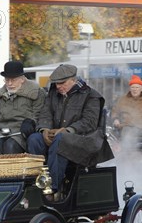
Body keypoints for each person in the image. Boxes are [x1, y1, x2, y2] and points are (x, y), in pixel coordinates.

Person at [27, 64, 114, 195]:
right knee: (34, 139)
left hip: (84, 141)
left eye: (62, 83)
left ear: (73, 80)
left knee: (61, 139)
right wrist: (44, 130)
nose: (58, 87)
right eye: (56, 83)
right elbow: (46, 114)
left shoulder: (91, 96)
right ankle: (36, 183)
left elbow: (89, 122)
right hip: (57, 135)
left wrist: (69, 130)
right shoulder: (53, 94)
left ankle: (52, 188)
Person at [0, 61, 46, 155]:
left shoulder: (36, 93)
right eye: (7, 80)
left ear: (22, 79)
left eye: (13, 80)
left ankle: (15, 170)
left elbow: (39, 115)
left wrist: (31, 122)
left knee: (10, 145)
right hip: (1, 133)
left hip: (22, 134)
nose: (10, 83)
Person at [111, 75, 142, 141]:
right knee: (127, 136)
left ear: (141, 88)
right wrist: (115, 119)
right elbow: (115, 111)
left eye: (137, 87)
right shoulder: (122, 99)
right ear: (130, 88)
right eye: (132, 87)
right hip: (126, 126)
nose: (134, 89)